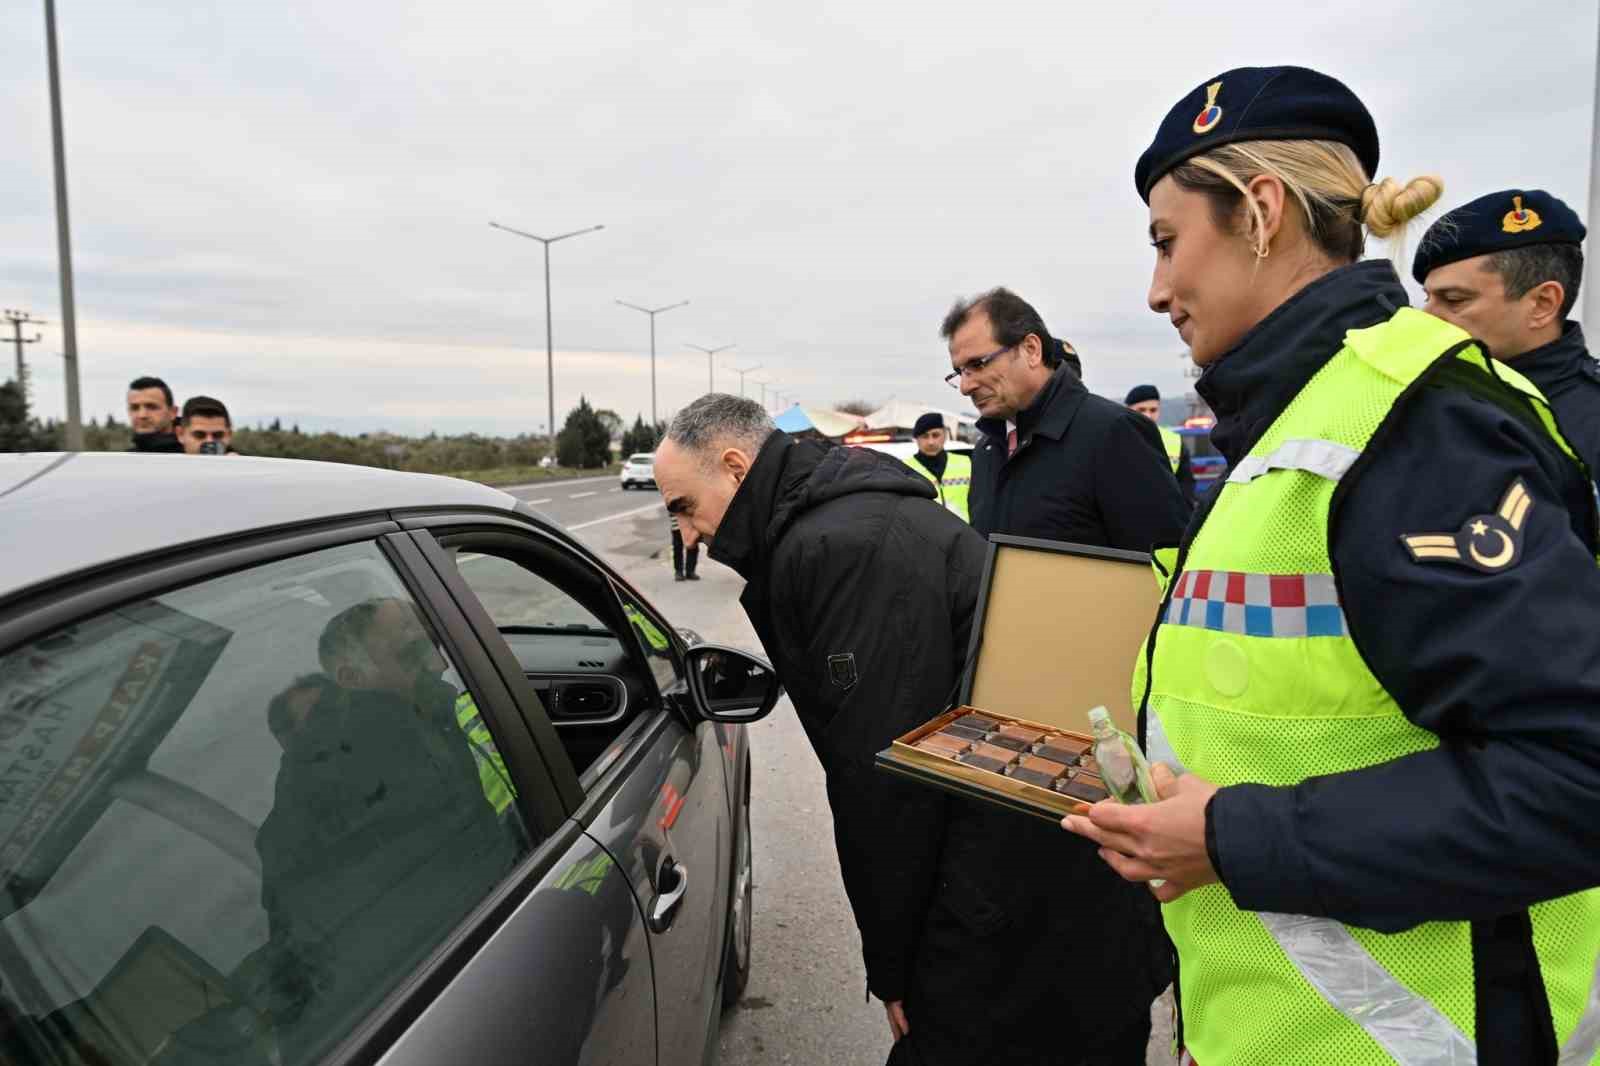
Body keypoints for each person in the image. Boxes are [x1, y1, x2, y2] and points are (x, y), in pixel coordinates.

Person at [1061, 65, 1600, 1066]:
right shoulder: (1294, 426)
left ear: (1261, 212)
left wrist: (1228, 837)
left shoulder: (1415, 429)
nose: (1154, 289)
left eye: (1166, 242)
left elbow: (1575, 775)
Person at [654, 395, 1162, 1066]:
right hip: (1025, 883)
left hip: (1012, 906)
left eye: (685, 507)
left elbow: (886, 782)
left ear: (733, 465)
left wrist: (893, 966)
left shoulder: (842, 548)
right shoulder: (840, 524)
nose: (687, 536)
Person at [256, 598, 519, 1052]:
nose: (437, 664)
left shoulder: (413, 723)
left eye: (432, 644)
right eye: (411, 653)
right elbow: (470, 868)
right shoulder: (378, 753)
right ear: (353, 679)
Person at [945, 287, 1190, 548]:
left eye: (977, 364)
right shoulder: (987, 450)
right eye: (960, 372)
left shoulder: (1114, 433)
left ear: (1031, 349)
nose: (965, 386)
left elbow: (1163, 566)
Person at [1415, 188, 1600, 483]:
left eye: (1453, 299)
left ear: (1543, 303)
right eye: (1427, 297)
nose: (1427, 316)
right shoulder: (1423, 398)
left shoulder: (1592, 421)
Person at [1125, 384, 1195, 504]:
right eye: (1141, 410)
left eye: (1153, 410)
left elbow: (1186, 485)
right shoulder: (1117, 438)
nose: (1148, 415)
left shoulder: (1174, 441)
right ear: (1128, 410)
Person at [902, 412, 971, 521]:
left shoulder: (965, 463)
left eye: (935, 435)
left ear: (945, 435)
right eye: (925, 436)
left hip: (965, 534)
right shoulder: (905, 469)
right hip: (926, 535)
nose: (931, 442)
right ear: (916, 439)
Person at [125, 375, 184, 453]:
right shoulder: (123, 461)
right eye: (135, 408)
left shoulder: (194, 457)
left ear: (173, 412)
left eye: (152, 407)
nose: (142, 415)